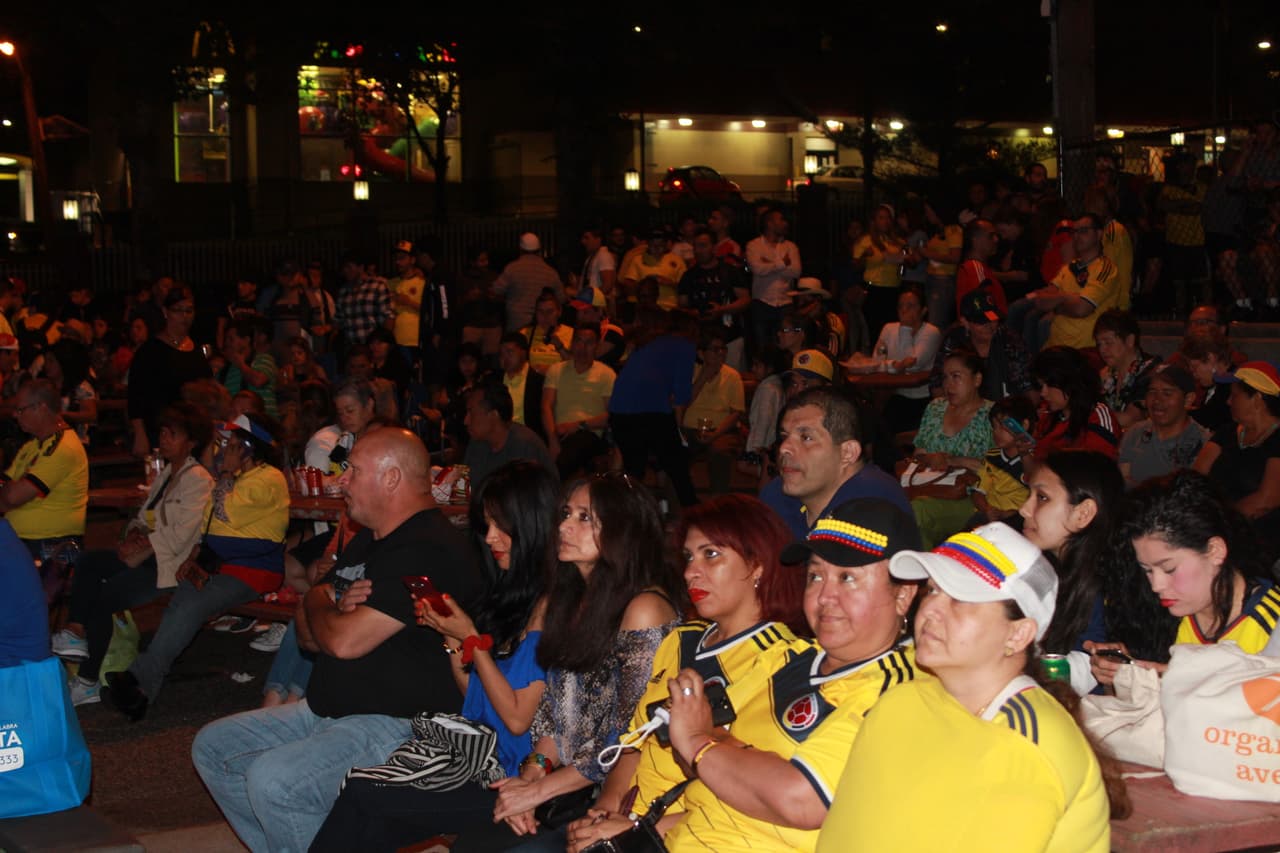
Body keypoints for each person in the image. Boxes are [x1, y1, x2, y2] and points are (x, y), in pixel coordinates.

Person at [193, 428, 483, 852]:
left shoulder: (428, 548)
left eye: (353, 471)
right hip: (328, 708)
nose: (341, 481)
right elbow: (310, 636)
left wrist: (322, 600)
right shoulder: (370, 538)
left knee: (276, 781)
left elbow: (343, 641)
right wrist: (320, 601)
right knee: (214, 748)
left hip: (398, 723)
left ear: (391, 478)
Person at [819, 522, 1125, 853]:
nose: (931, 609)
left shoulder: (1026, 744)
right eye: (933, 590)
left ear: (1017, 634)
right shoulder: (900, 701)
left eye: (962, 599)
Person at [309, 461, 558, 852]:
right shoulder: (511, 594)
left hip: (510, 769)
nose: (491, 537)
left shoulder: (555, 606)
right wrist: (451, 639)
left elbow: (516, 718)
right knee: (364, 810)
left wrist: (471, 640)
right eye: (486, 524)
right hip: (480, 748)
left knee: (365, 795)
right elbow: (473, 699)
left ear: (532, 526)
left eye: (501, 526)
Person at [660, 498, 921, 852]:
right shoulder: (788, 657)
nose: (825, 596)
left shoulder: (896, 690)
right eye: (815, 576)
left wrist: (699, 742)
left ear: (903, 595)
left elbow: (801, 799)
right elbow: (705, 766)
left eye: (848, 577)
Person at [445, 473, 682, 851]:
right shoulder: (570, 600)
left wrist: (538, 791)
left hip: (622, 790)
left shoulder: (644, 610)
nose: (565, 527)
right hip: (570, 785)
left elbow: (629, 736)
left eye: (585, 518)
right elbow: (555, 714)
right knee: (475, 841)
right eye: (566, 514)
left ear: (623, 529)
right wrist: (532, 775)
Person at [564, 494, 806, 852]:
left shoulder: (781, 660)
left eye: (711, 555)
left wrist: (633, 832)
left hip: (690, 836)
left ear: (758, 566)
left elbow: (753, 794)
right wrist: (602, 811)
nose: (692, 570)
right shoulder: (681, 640)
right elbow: (634, 744)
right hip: (630, 824)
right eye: (689, 557)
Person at [102, 413, 289, 720]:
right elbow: (208, 526)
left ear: (248, 448)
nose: (222, 450)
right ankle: (140, 689)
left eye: (230, 444)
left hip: (254, 572)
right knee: (184, 597)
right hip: (218, 566)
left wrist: (226, 475)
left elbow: (227, 513)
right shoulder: (236, 479)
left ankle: (138, 679)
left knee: (190, 604)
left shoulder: (269, 479)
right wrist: (193, 557)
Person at [56, 403, 214, 706]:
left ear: (191, 441)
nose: (164, 439)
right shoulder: (169, 471)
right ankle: (76, 629)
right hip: (147, 554)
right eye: (164, 433)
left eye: (173, 434)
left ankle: (88, 679)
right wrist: (134, 534)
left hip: (169, 564)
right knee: (89, 562)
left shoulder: (199, 479)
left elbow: (183, 534)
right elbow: (145, 514)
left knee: (107, 596)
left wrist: (143, 544)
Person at [1090, 470, 1280, 689]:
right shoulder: (1172, 612)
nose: (1156, 585)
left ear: (1215, 551)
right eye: (1147, 570)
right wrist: (1129, 674)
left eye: (1169, 569)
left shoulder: (1271, 628)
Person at [1019, 450, 1123, 695]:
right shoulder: (1053, 572)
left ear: (1083, 513)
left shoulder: (1107, 591)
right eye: (1030, 495)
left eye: (1042, 498)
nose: (1024, 509)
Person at [760, 387, 911, 539]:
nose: (784, 448)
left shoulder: (874, 505)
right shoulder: (776, 494)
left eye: (806, 438)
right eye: (784, 437)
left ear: (848, 453)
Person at [608, 309, 699, 508]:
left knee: (634, 470)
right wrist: (679, 428)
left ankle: (626, 516)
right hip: (650, 410)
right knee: (677, 468)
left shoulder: (650, 341)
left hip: (620, 409)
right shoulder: (684, 345)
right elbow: (681, 391)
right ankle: (694, 515)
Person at [1192, 360, 1280, 561]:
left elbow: (1267, 500)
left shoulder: (1277, 440)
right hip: (1214, 528)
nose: (1228, 402)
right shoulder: (1227, 433)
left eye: (1235, 395)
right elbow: (1196, 476)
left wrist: (1220, 521)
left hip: (1261, 536)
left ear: (1257, 399)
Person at [905, 350, 994, 548]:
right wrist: (932, 458)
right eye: (945, 377)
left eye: (956, 377)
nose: (948, 385)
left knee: (917, 511)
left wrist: (951, 460)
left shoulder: (992, 415)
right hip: (928, 487)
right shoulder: (935, 408)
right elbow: (918, 453)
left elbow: (993, 468)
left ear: (977, 379)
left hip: (971, 497)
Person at [0, 379, 89, 559]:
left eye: (20, 410)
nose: (16, 416)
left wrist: (11, 490)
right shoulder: (32, 446)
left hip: (49, 546)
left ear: (41, 408)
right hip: (22, 540)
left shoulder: (63, 448)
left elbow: (12, 496)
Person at [127, 284, 213, 456]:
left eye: (189, 311)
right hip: (160, 431)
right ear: (166, 312)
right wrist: (140, 433)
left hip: (191, 433)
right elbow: (136, 395)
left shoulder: (197, 350)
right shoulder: (150, 350)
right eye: (178, 310)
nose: (184, 317)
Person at [1030, 213, 1124, 351]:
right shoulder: (1068, 268)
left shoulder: (1106, 269)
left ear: (1098, 234)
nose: (1077, 236)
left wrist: (1057, 303)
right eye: (1074, 232)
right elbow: (1040, 301)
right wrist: (1065, 297)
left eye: (1084, 231)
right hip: (1053, 347)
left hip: (1082, 350)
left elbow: (1081, 309)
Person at [930, 289, 1035, 404]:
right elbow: (937, 383)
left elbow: (1029, 386)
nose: (989, 326)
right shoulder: (953, 341)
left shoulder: (1011, 340)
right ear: (965, 322)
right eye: (981, 322)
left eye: (992, 319)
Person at [542, 325, 616, 480]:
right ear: (572, 344)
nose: (583, 348)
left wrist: (577, 425)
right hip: (558, 433)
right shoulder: (556, 370)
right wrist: (552, 439)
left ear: (597, 346)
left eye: (589, 343)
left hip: (588, 433)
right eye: (579, 342)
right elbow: (546, 406)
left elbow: (612, 416)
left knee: (568, 456)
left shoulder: (606, 374)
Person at [868, 284, 942, 435]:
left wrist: (906, 328)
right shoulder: (889, 328)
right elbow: (876, 361)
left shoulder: (931, 332)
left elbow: (914, 364)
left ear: (923, 310)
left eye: (911, 305)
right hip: (894, 394)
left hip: (920, 398)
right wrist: (895, 365)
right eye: (901, 305)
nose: (904, 310)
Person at [1118, 365, 1209, 488]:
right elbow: (1122, 479)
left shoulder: (1201, 443)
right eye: (1152, 391)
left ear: (1188, 399)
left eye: (1167, 393)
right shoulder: (1136, 433)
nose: (1157, 400)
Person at [681, 326, 745, 496]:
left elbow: (735, 413)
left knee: (720, 451)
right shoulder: (689, 371)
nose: (720, 353)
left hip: (720, 429)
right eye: (715, 349)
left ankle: (719, 502)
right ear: (702, 354)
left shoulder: (732, 376)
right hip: (689, 429)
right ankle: (679, 506)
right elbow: (682, 403)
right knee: (675, 454)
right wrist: (703, 376)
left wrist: (715, 434)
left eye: (723, 349)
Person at [1029, 346, 1118, 464]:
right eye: (1041, 386)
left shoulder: (1097, 417)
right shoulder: (1048, 415)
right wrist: (1024, 452)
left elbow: (1098, 474)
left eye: (1050, 385)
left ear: (1070, 382)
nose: (1043, 393)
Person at [679, 229, 750, 371]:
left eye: (703, 246)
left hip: (730, 337)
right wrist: (694, 313)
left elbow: (746, 300)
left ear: (714, 247)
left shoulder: (730, 271)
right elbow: (682, 306)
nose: (698, 250)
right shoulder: (688, 276)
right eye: (696, 246)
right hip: (701, 341)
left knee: (732, 378)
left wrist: (722, 310)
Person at [463, 382, 555, 488]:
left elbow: (524, 500)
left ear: (494, 415)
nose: (466, 421)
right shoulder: (477, 442)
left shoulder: (525, 446)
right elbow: (463, 493)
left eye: (471, 412)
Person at [745, 209, 802, 354]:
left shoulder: (790, 246)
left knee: (786, 347)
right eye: (781, 219)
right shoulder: (754, 245)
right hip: (762, 303)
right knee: (762, 347)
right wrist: (783, 263)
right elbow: (757, 269)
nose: (785, 223)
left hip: (785, 303)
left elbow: (796, 271)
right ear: (769, 223)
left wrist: (769, 264)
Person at [1094, 309, 1160, 432]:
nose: (1102, 350)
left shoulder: (1152, 372)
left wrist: (1085, 416)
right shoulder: (1106, 374)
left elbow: (1130, 419)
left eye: (1108, 343)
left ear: (1130, 340)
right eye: (1099, 344)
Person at [850, 204, 908, 341]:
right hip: (874, 289)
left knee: (893, 330)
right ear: (874, 221)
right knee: (876, 331)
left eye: (888, 218)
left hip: (894, 289)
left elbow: (910, 262)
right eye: (881, 218)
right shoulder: (866, 240)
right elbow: (855, 266)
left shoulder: (897, 241)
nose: (885, 221)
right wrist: (865, 256)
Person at [494, 234, 564, 333]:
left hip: (516, 322)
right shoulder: (550, 271)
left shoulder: (512, 268)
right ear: (539, 250)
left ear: (520, 249)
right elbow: (561, 298)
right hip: (543, 323)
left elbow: (496, 290)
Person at [333, 252, 395, 353]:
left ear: (360, 268)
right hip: (352, 348)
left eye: (349, 267)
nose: (346, 271)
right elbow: (339, 320)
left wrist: (384, 344)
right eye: (344, 268)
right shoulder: (343, 291)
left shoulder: (377, 286)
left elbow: (389, 317)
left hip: (373, 347)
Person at [220, 318, 279, 418]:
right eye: (226, 339)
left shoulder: (264, 359)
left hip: (263, 426)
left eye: (231, 339)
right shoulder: (225, 370)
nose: (227, 343)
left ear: (246, 340)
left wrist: (240, 364)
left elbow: (258, 380)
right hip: (237, 428)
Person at [1180, 328, 1237, 433]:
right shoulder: (1217, 384)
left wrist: (1176, 413)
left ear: (1210, 358)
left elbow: (1211, 417)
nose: (1193, 373)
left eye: (1194, 367)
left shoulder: (1234, 384)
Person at [954, 218, 1008, 315]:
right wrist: (995, 325)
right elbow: (982, 308)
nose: (996, 239)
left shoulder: (977, 267)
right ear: (975, 239)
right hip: (985, 328)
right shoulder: (974, 267)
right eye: (991, 236)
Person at [499, 331, 545, 439]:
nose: (505, 358)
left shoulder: (539, 382)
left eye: (509, 352)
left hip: (528, 437)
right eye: (501, 354)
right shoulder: (494, 380)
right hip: (499, 436)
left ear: (523, 353)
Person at [521, 291, 573, 375]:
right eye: (540, 311)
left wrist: (560, 346)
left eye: (550, 311)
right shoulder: (525, 333)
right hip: (534, 379)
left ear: (559, 312)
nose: (545, 316)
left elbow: (576, 364)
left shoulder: (571, 333)